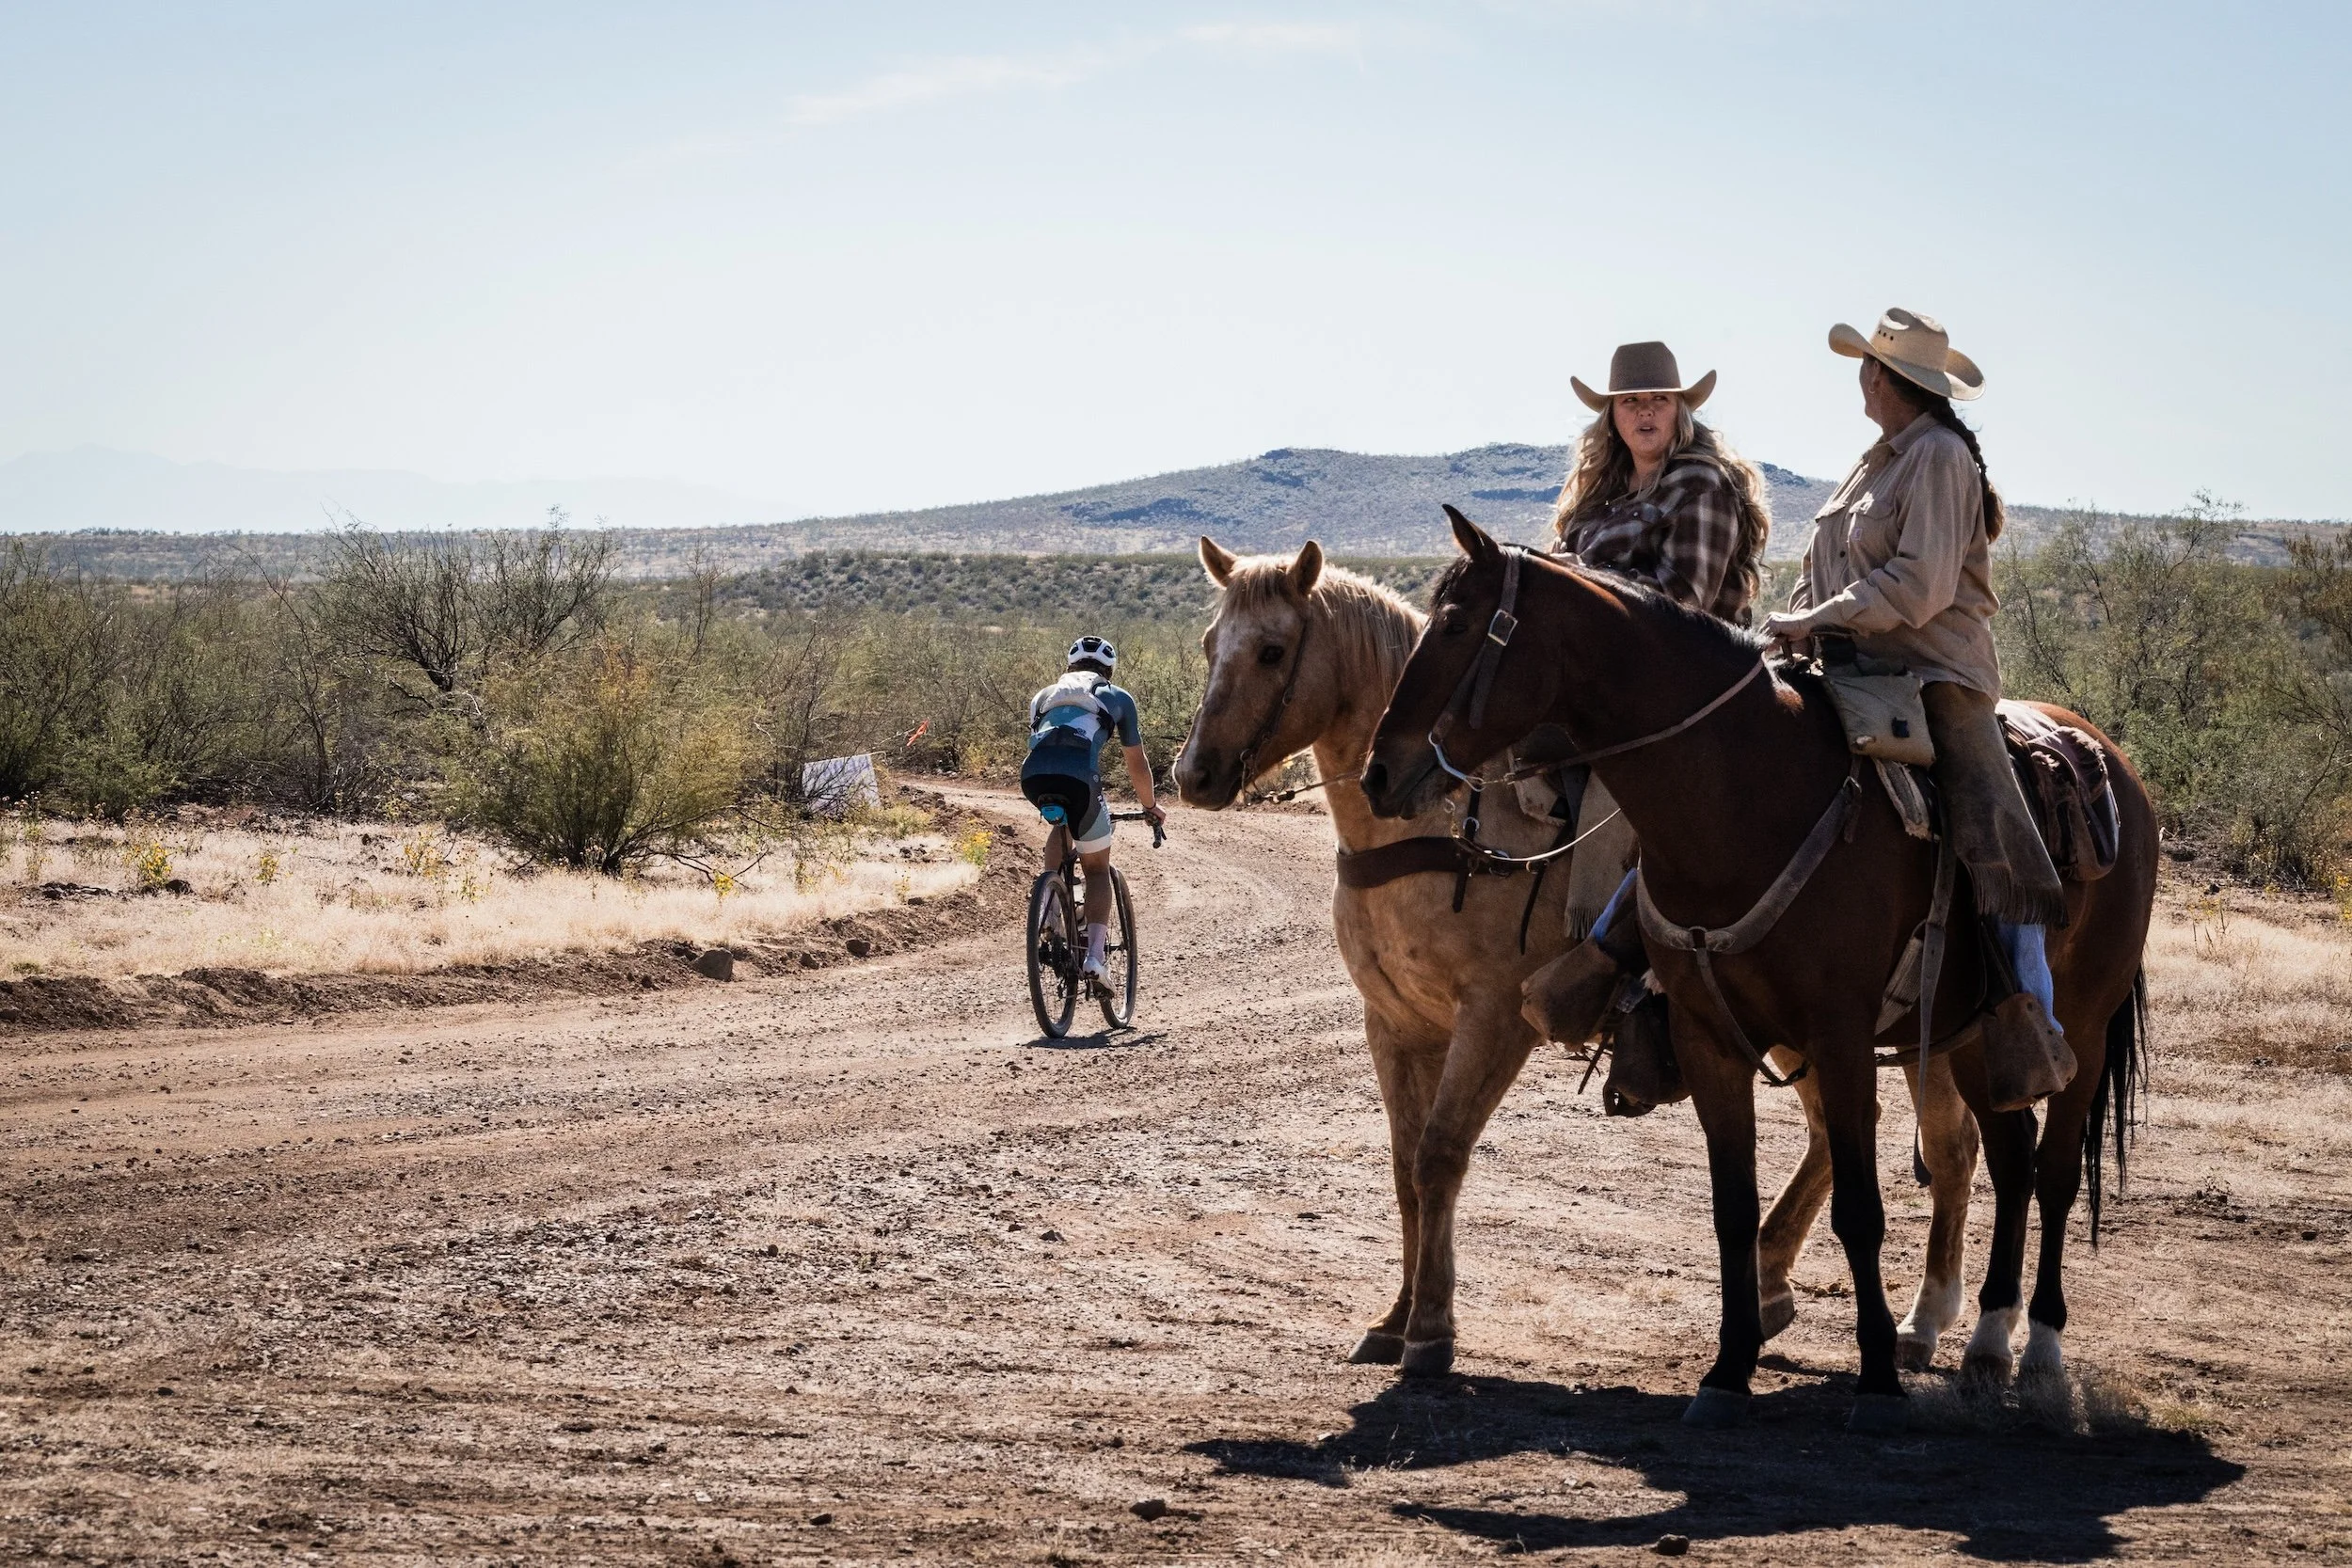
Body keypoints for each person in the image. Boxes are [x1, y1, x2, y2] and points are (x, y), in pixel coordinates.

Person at [1762, 308, 2070, 1101]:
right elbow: (1823, 571)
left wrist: (1817, 619)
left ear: (1882, 377)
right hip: (1847, 668)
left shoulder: (1937, 456)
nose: (1861, 378)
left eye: (1866, 366)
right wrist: (1789, 630)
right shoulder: (1873, 463)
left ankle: (2029, 1023)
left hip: (1935, 675)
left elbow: (1919, 586)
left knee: (1994, 833)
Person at [1521, 342, 1773, 1103]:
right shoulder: (1598, 495)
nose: (1644, 412)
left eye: (1658, 399)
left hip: (1689, 698)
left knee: (1618, 800)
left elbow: (1683, 603)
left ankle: (1624, 987)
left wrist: (1581, 596)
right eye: (1630, 401)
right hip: (1602, 688)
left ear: (1680, 408)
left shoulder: (1702, 484)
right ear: (1611, 414)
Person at [1020, 635, 1167, 986]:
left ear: (1070, 666)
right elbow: (1136, 763)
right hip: (1079, 777)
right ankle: (1095, 960)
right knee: (1097, 869)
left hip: (1034, 776)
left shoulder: (1043, 696)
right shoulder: (1117, 697)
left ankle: (1050, 906)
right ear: (1109, 670)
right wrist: (1150, 806)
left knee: (1063, 825)